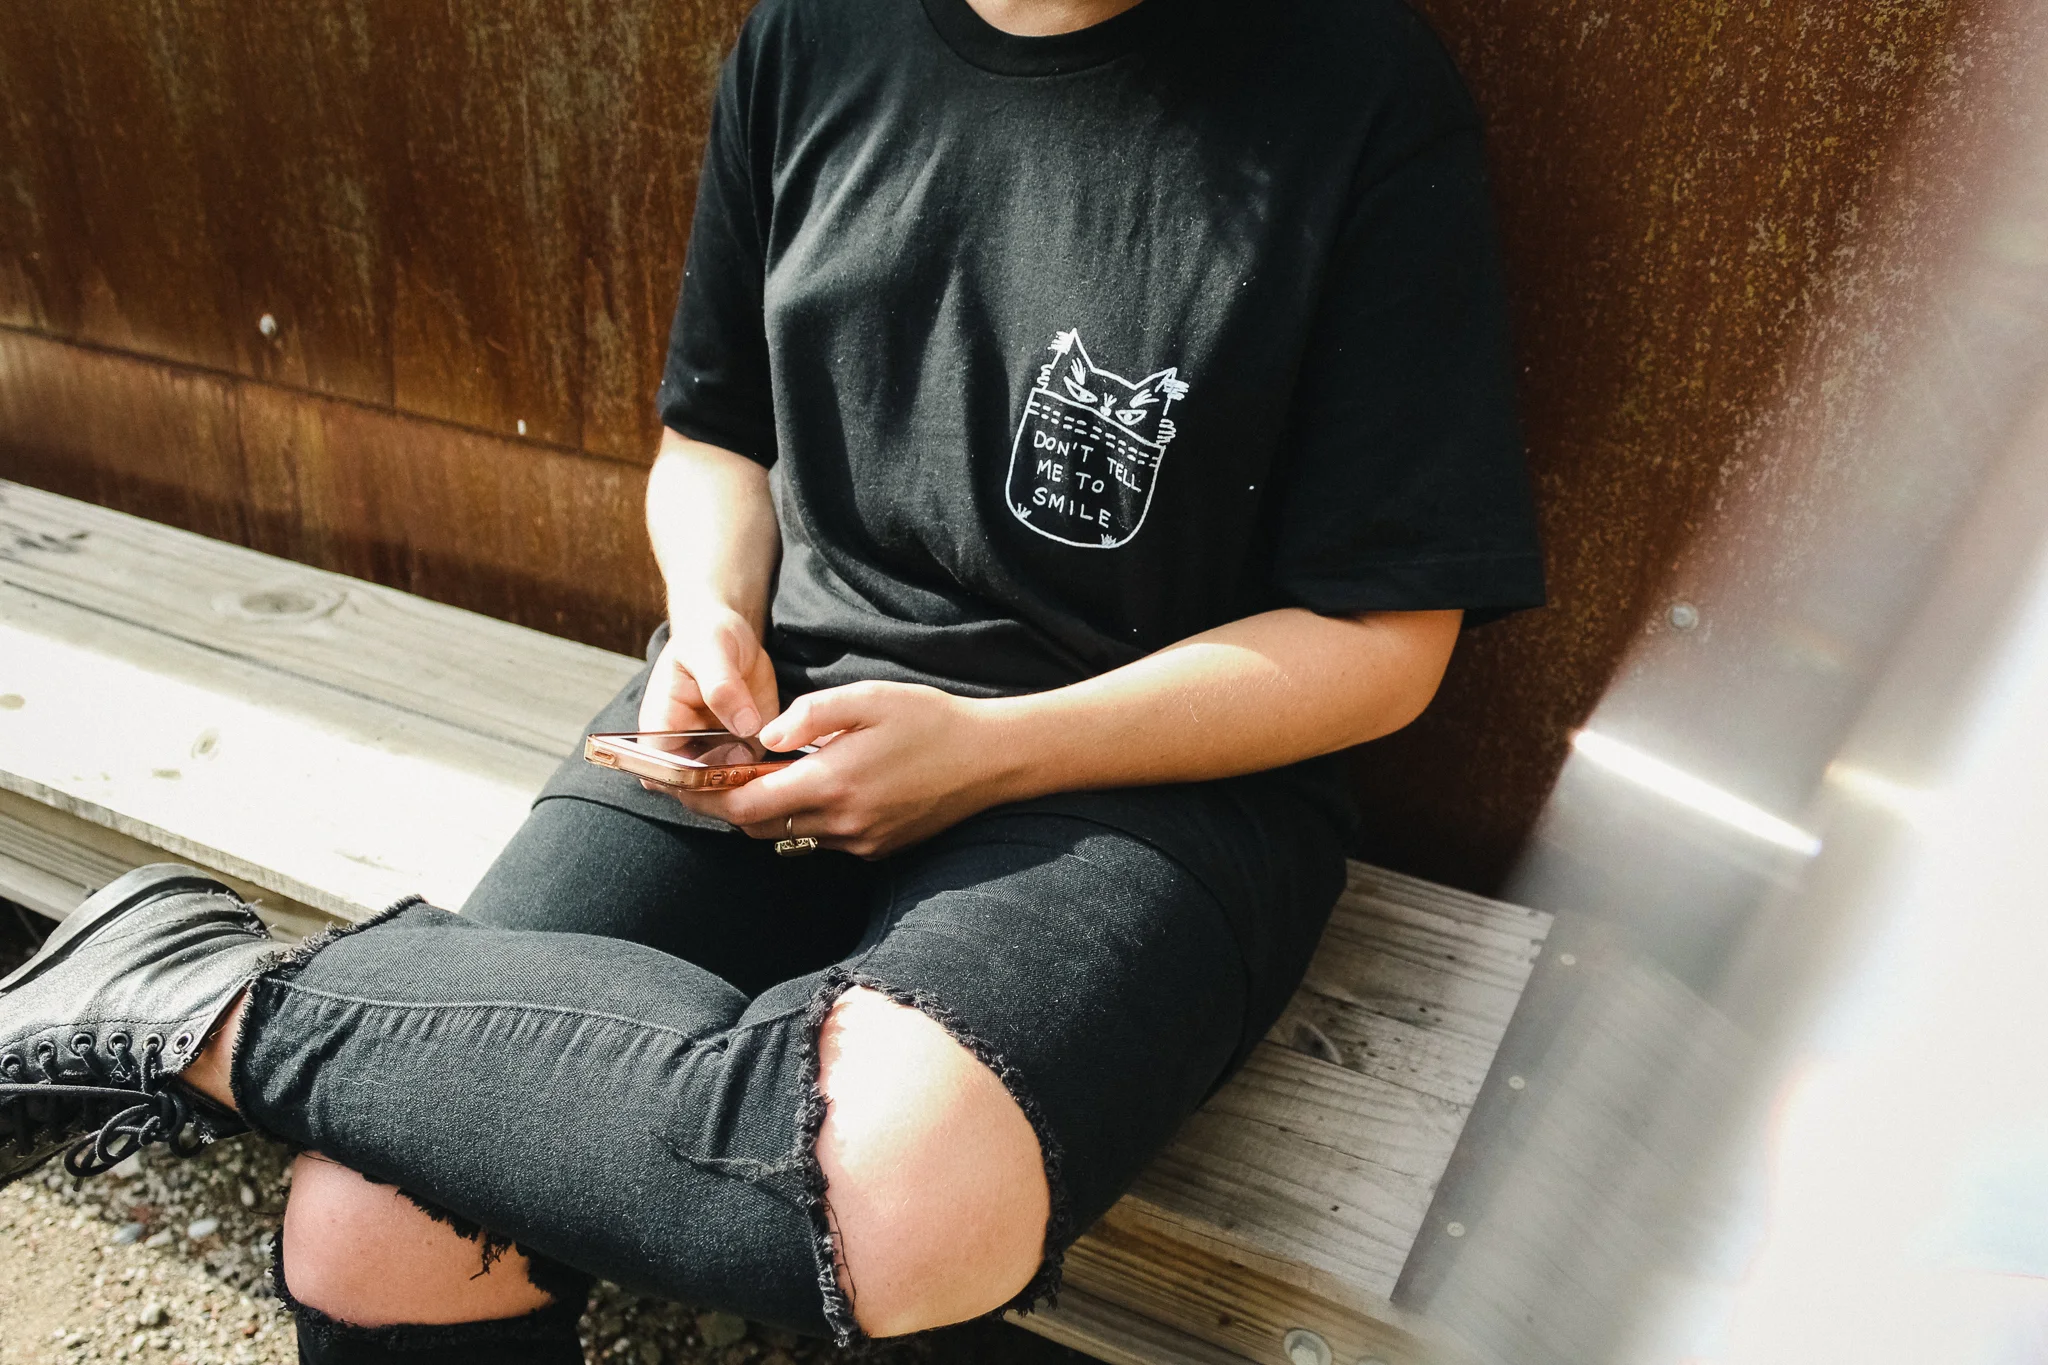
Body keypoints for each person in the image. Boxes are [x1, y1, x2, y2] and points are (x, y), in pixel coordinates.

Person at [0, 0, 1545, 1359]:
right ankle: (214, 994)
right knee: (374, 1225)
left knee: (896, 1192)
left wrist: (991, 751)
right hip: (784, 707)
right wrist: (708, 618)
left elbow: (1383, 645)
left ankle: (209, 999)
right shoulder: (813, 33)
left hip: (1146, 768)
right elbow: (713, 445)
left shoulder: (1359, 86)